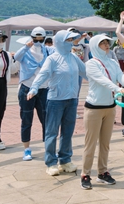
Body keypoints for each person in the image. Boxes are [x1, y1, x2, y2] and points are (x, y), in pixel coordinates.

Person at [28, 29, 88, 176]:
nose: (71, 43)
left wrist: (105, 82)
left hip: (72, 100)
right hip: (55, 101)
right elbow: (43, 74)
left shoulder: (74, 57)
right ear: (60, 42)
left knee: (67, 132)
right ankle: (51, 162)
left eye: (71, 40)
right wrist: (34, 87)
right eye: (68, 40)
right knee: (51, 132)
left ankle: (65, 160)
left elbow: (86, 72)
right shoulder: (52, 59)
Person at [80, 34, 124, 190]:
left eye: (107, 42)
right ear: (95, 46)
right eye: (102, 43)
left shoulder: (112, 62)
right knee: (90, 144)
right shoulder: (91, 64)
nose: (106, 45)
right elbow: (101, 80)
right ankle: (85, 174)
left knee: (105, 144)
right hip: (94, 108)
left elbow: (120, 75)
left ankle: (102, 172)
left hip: (110, 107)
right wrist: (118, 89)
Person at [13, 27, 50, 161]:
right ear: (32, 38)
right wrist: (26, 47)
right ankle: (26, 149)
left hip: (43, 88)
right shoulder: (26, 50)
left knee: (46, 120)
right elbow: (16, 57)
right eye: (36, 39)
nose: (38, 41)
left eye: (41, 39)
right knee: (26, 119)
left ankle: (48, 148)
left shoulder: (47, 50)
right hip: (27, 88)